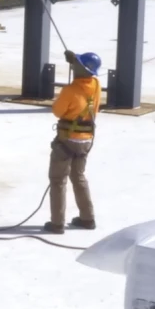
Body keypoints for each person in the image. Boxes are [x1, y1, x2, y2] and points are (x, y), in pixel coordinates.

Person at [45, 50, 102, 235]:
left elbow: (58, 111)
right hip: (85, 141)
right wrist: (75, 60)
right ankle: (87, 218)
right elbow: (84, 75)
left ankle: (57, 223)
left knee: (58, 180)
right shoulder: (95, 84)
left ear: (81, 69)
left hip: (66, 141)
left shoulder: (69, 90)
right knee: (78, 176)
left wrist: (75, 65)